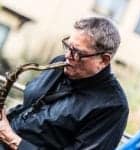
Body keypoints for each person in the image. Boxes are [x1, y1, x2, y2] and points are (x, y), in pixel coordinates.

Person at [0, 16, 129, 150]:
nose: (68, 56)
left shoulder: (113, 107)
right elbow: (31, 108)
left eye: (78, 53)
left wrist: (11, 138)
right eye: (68, 46)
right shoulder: (61, 62)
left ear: (103, 60)